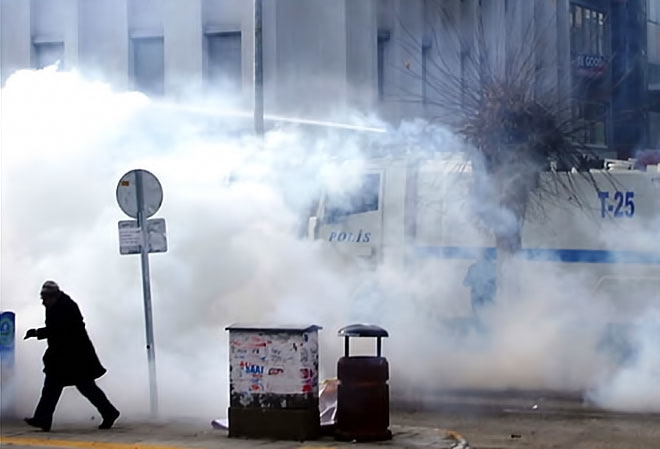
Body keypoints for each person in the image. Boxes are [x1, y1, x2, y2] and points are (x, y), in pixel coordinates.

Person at [23, 281, 120, 432]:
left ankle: (109, 412)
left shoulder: (67, 307)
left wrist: (37, 332)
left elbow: (59, 329)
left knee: (85, 387)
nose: (43, 302)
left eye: (45, 298)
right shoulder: (53, 305)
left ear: (53, 296)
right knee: (52, 388)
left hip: (75, 356)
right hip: (62, 356)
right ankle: (42, 419)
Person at [463, 250, 497, 314]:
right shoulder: (494, 266)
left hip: (477, 297)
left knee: (477, 314)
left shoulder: (473, 267)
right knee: (490, 314)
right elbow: (499, 281)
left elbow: (465, 283)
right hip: (490, 296)